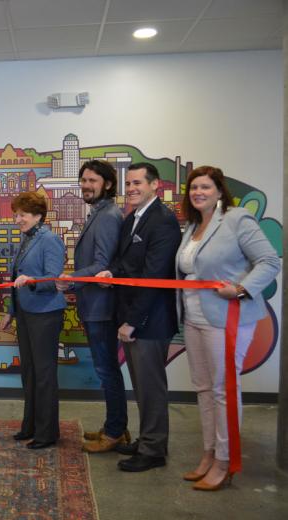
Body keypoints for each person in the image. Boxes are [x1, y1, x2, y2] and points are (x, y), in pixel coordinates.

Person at [175, 166, 279, 491]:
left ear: (220, 191)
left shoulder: (235, 220)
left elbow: (270, 261)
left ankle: (225, 460)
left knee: (223, 390)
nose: (198, 193)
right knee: (204, 389)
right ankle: (208, 454)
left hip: (227, 318)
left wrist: (241, 288)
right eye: (194, 188)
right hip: (193, 317)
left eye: (205, 187)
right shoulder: (192, 226)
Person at [96, 162, 181, 472]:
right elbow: (127, 264)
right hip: (135, 317)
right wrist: (111, 272)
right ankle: (148, 439)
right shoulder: (134, 217)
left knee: (151, 387)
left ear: (154, 185)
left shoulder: (163, 221)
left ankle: (153, 450)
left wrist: (132, 321)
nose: (131, 188)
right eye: (128, 183)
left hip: (149, 320)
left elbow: (153, 277)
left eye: (137, 183)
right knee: (142, 386)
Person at [56, 160, 129, 453]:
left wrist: (70, 279)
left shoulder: (109, 215)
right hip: (93, 304)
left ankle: (114, 432)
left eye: (92, 180)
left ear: (108, 184)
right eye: (83, 180)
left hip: (101, 306)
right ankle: (115, 427)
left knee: (106, 369)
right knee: (106, 369)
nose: (85, 185)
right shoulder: (98, 213)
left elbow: (102, 265)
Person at [0, 192, 66, 449]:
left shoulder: (50, 240)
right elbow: (16, 278)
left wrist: (32, 282)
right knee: (29, 372)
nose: (17, 219)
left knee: (44, 374)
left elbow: (53, 280)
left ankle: (47, 432)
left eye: (22, 214)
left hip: (45, 313)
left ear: (38, 215)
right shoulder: (26, 239)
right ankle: (30, 425)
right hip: (26, 313)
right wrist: (11, 311)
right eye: (16, 214)